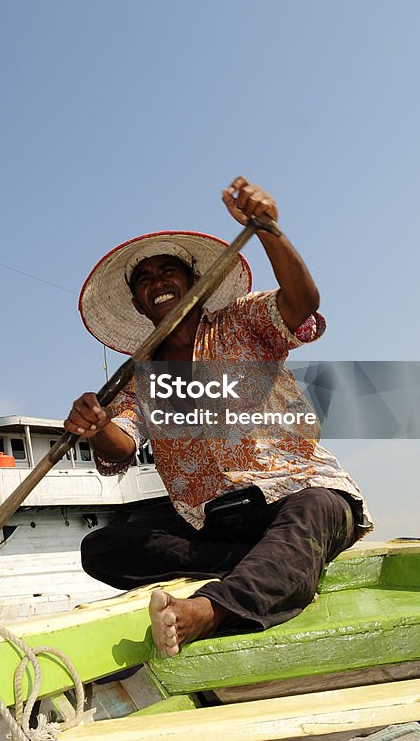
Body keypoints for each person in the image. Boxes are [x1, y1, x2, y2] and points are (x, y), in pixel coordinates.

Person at [65, 177, 371, 658]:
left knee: (315, 511)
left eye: (169, 272)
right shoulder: (138, 377)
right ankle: (273, 570)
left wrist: (268, 228)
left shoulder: (240, 322)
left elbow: (302, 305)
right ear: (139, 302)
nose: (158, 283)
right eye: (144, 280)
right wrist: (97, 425)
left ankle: (209, 612)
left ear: (191, 284)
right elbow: (121, 445)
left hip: (297, 490)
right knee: (103, 548)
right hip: (215, 522)